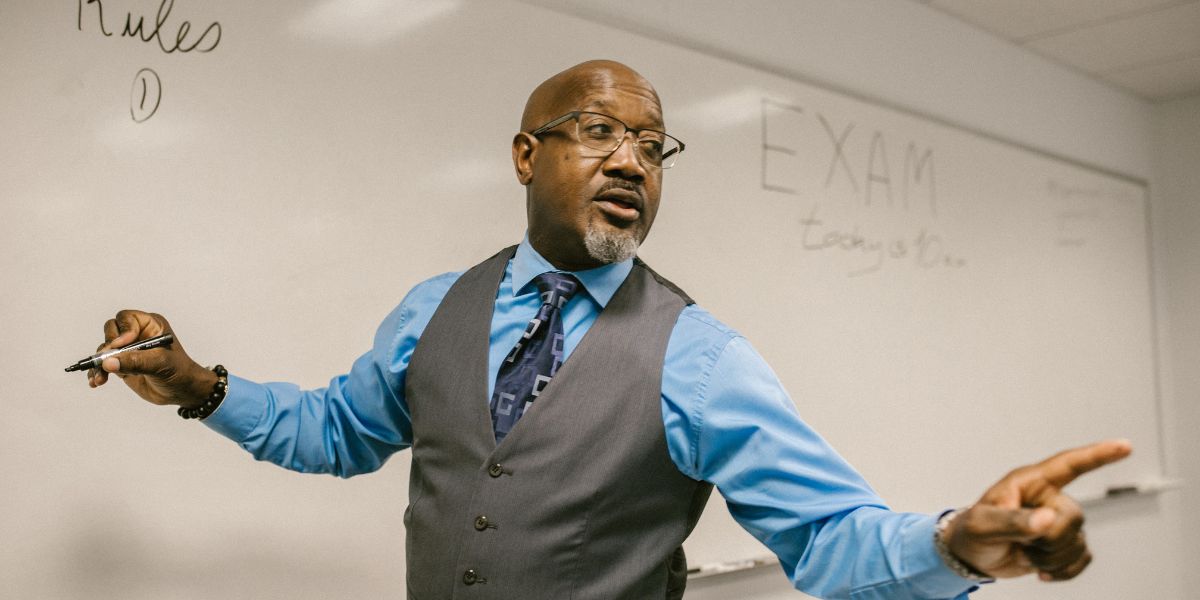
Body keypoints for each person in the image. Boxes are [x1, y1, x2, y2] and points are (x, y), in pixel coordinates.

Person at [83, 60, 1131, 599]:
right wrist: (193, 384)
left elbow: (827, 537)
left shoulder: (700, 357)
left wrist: (954, 544)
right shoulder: (432, 309)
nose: (632, 160)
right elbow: (332, 431)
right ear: (524, 155)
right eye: (598, 133)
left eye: (653, 144)